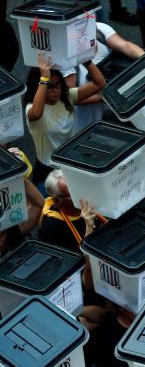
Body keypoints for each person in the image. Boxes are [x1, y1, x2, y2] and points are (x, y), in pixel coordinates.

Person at [24, 53, 106, 186]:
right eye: (49, 87)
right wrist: (44, 78)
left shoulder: (66, 96)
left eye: (57, 84)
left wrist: (86, 61)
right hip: (48, 171)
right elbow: (37, 114)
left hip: (72, 162)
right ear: (38, 86)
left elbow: (99, 83)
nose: (55, 90)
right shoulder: (32, 107)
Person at [38, 170, 100, 252]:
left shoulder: (91, 201)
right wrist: (89, 227)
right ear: (57, 201)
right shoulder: (51, 228)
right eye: (71, 193)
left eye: (77, 188)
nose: (79, 193)